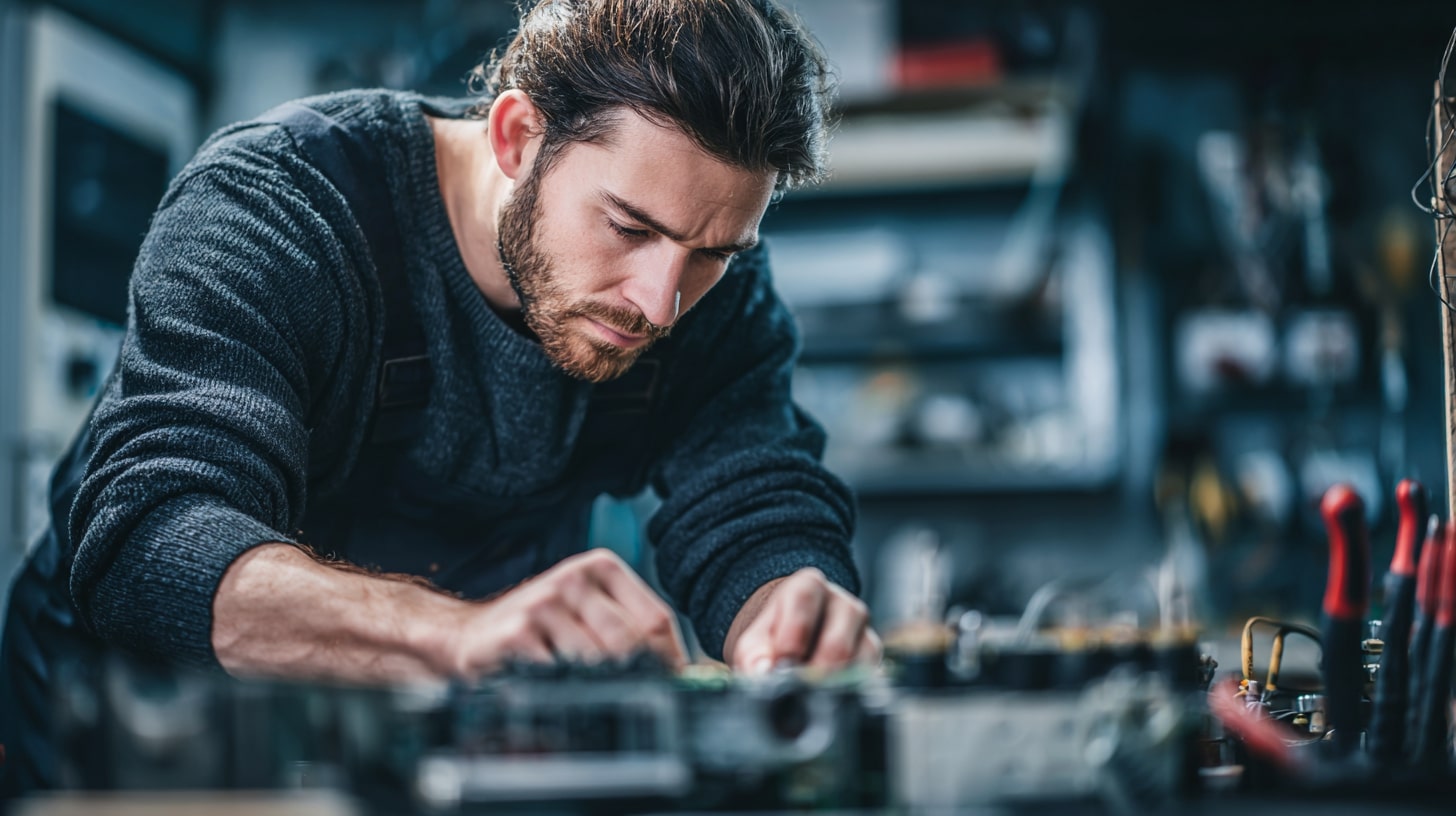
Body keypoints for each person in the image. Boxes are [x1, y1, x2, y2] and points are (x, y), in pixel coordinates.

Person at [0, 0, 878, 795]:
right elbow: (151, 539)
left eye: (713, 253)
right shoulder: (276, 205)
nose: (661, 303)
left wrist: (786, 614)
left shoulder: (700, 278)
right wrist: (459, 637)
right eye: (628, 228)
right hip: (147, 737)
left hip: (428, 738)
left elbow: (755, 502)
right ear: (517, 136)